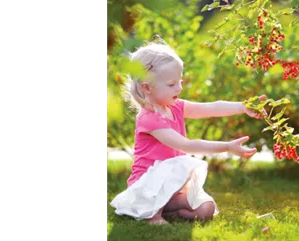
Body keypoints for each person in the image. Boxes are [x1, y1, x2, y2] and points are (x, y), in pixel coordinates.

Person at [109, 40, 267, 225]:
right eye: (171, 84)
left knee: (206, 208)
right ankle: (153, 215)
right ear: (146, 87)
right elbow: (186, 145)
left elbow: (211, 108)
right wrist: (227, 147)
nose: (179, 88)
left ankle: (173, 213)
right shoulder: (148, 118)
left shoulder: (175, 107)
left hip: (171, 188)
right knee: (176, 162)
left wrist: (242, 106)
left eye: (180, 81)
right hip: (147, 187)